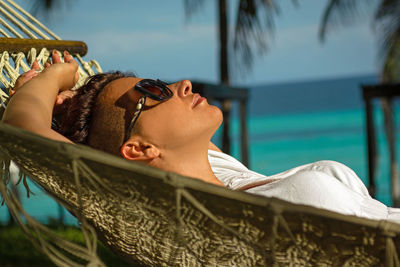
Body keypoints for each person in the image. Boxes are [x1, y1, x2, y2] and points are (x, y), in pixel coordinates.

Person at [3, 51, 400, 223]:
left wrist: (67, 99)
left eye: (159, 82)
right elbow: (26, 129)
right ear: (140, 149)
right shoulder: (220, 216)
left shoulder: (224, 174)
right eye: (154, 92)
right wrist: (51, 78)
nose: (182, 84)